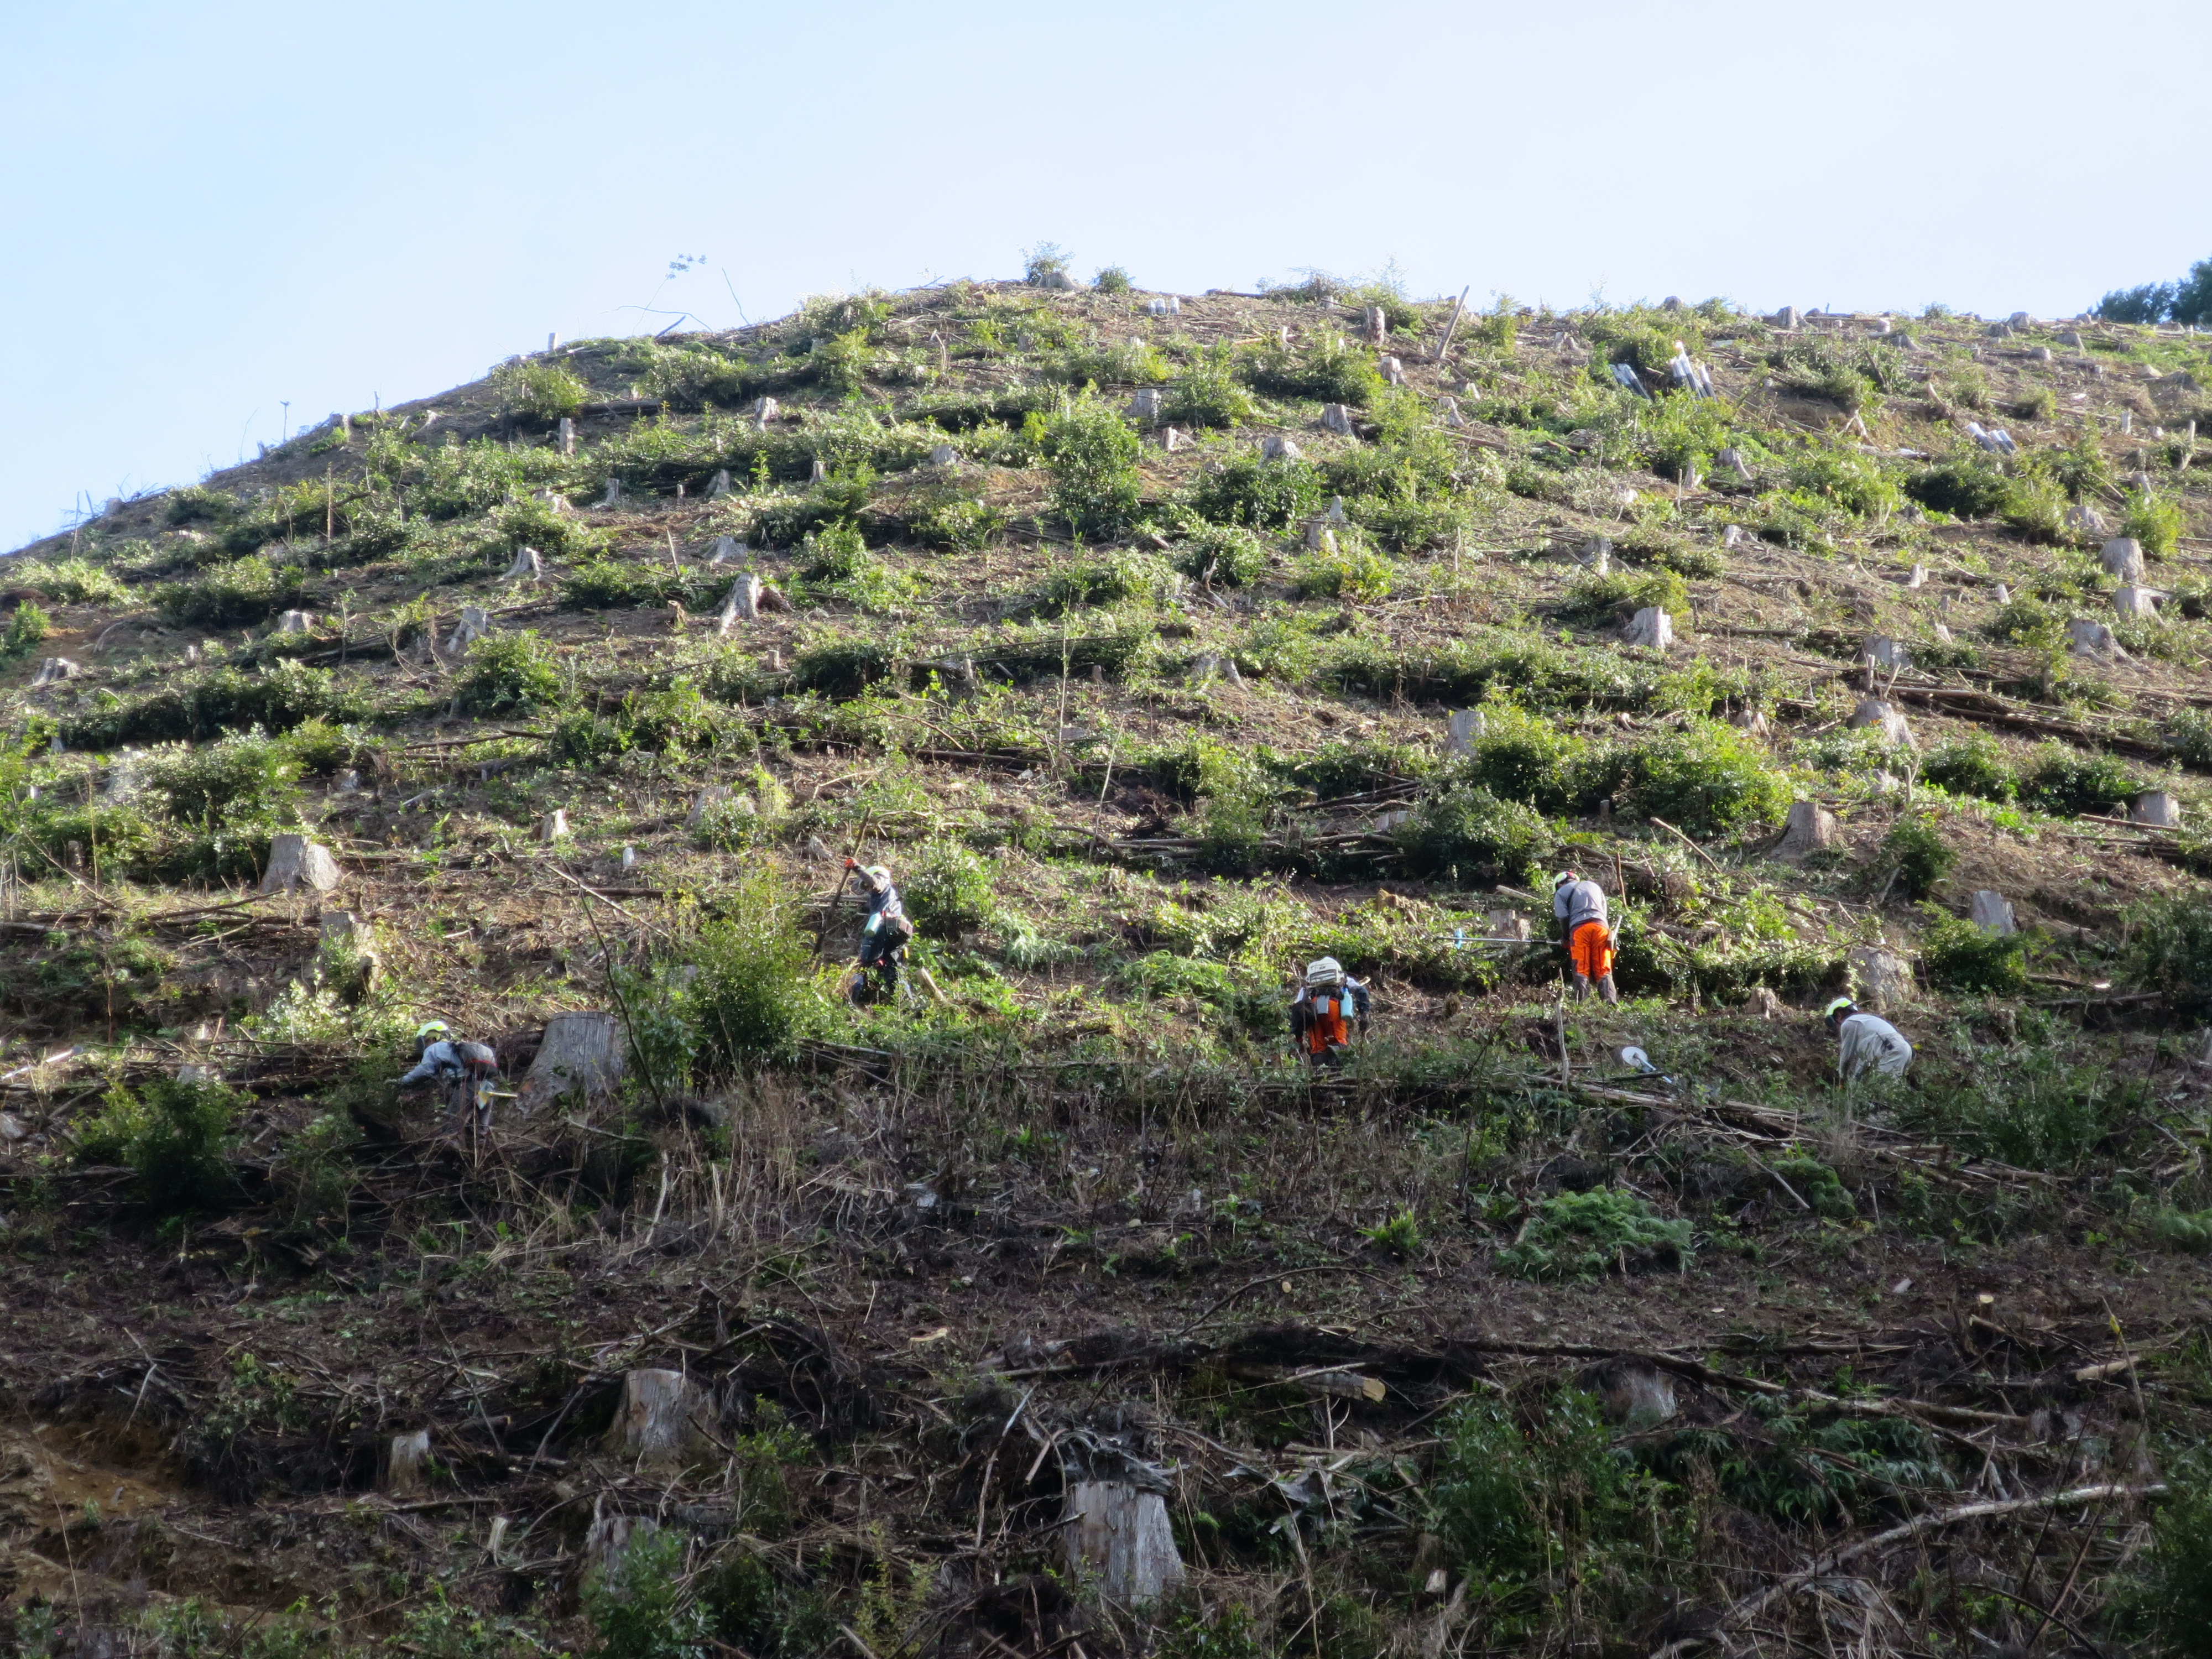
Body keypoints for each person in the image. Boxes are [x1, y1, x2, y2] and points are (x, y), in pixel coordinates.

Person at [395, 1020, 502, 1133]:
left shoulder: (436, 1048)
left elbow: (425, 1070)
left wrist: (402, 1081)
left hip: (466, 1087)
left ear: (432, 1039)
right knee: (481, 1127)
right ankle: (482, 1144)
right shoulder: (459, 1048)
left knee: (452, 1126)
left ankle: (452, 1146)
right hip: (487, 1087)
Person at [845, 859, 914, 1003]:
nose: (869, 889)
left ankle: (851, 1003)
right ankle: (906, 1004)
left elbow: (875, 883)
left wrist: (857, 868)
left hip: (882, 931)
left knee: (864, 965)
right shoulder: (891, 897)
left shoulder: (883, 886)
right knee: (894, 970)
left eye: (868, 886)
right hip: (896, 934)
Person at [1552, 870, 1619, 1005]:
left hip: (1580, 930)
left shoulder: (1561, 893)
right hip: (1601, 928)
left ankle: (1581, 1006)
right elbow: (1603, 912)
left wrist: (1566, 938)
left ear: (1559, 884)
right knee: (1603, 969)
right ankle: (1610, 1005)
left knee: (1581, 968)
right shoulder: (1594, 886)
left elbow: (1563, 917)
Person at [1289, 956, 1370, 1065]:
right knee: (1339, 1040)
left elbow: (1297, 1011)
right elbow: (1361, 991)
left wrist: (1299, 1038)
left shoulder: (1307, 983)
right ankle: (1336, 1058)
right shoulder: (1343, 978)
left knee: (1318, 1048)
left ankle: (1320, 1075)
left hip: (1312, 1009)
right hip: (1334, 1006)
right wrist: (1364, 1013)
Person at [1823, 997, 1913, 1081]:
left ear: (1839, 1015)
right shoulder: (1865, 1023)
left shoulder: (1849, 1023)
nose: (1838, 1028)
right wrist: (1854, 1081)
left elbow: (1846, 1057)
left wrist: (1842, 1080)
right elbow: (1863, 1061)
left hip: (1891, 1052)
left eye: (1835, 1024)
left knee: (1884, 1091)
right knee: (1891, 1089)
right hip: (1901, 1049)